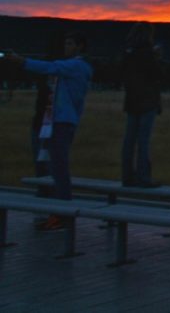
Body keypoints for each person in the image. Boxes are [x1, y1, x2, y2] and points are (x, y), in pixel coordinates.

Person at [6, 31, 93, 230]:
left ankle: (63, 213)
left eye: (70, 43)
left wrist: (21, 61)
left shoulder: (77, 66)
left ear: (80, 46)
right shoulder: (71, 67)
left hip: (63, 122)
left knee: (59, 167)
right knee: (53, 167)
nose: (66, 47)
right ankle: (56, 211)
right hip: (55, 121)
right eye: (66, 43)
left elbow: (50, 67)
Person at [120, 22, 163, 188]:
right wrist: (157, 58)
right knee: (143, 141)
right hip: (148, 102)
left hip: (131, 101)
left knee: (129, 140)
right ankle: (143, 177)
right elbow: (158, 75)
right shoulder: (148, 54)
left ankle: (127, 176)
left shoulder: (128, 53)